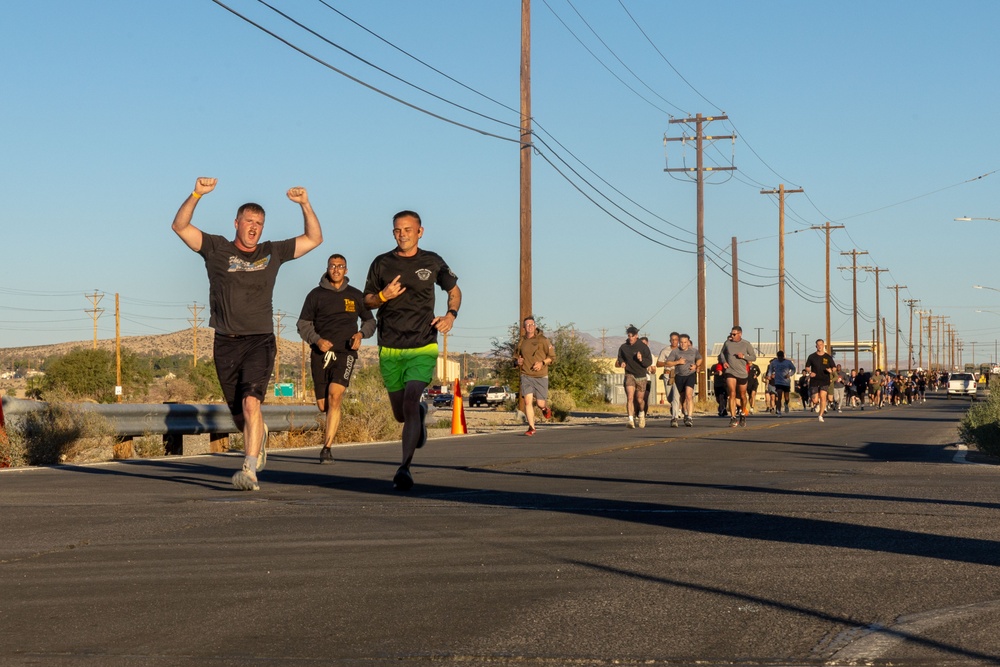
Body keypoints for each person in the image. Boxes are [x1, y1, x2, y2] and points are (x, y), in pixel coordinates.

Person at [171, 177, 323, 491]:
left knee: (252, 404)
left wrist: (305, 204)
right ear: (237, 223)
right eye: (249, 221)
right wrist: (197, 193)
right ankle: (258, 436)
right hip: (225, 342)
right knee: (240, 416)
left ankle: (249, 469)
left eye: (260, 223)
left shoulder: (273, 251)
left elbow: (314, 238)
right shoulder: (216, 248)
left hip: (260, 340)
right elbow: (180, 227)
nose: (254, 227)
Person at [363, 210, 461, 491]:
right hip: (390, 346)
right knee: (401, 413)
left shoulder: (432, 262)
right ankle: (417, 414)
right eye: (397, 230)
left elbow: (454, 291)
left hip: (422, 344)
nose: (402, 234)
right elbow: (366, 300)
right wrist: (383, 296)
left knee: (410, 397)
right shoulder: (381, 263)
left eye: (408, 229)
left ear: (420, 231)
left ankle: (404, 467)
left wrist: (450, 315)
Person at [297, 254, 376, 464]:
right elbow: (303, 324)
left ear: (346, 270)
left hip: (346, 352)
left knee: (335, 395)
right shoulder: (315, 295)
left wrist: (360, 335)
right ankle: (327, 439)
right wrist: (317, 340)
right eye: (333, 266)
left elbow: (370, 321)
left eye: (341, 266)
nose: (337, 269)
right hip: (320, 354)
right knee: (323, 405)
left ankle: (327, 448)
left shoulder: (356, 295)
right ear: (327, 268)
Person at [516, 316, 556, 436]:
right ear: (524, 328)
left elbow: (552, 357)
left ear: (535, 326)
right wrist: (517, 362)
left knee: (540, 403)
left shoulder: (543, 340)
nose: (530, 327)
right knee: (528, 402)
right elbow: (515, 358)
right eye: (527, 325)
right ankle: (531, 427)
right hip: (526, 375)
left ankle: (544, 409)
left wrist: (542, 363)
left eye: (532, 324)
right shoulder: (521, 342)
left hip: (541, 376)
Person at [718, 325, 757, 427]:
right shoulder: (727, 343)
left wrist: (743, 356)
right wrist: (724, 362)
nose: (732, 336)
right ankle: (733, 417)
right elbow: (721, 354)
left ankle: (743, 414)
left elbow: (753, 357)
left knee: (743, 395)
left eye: (734, 334)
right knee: (732, 393)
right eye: (731, 333)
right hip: (730, 371)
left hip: (742, 373)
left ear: (740, 334)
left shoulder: (746, 344)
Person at [616, 326, 654, 428]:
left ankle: (641, 413)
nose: (631, 338)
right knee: (630, 397)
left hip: (641, 376)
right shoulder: (623, 347)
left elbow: (649, 362)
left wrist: (641, 359)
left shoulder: (643, 347)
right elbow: (620, 357)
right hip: (629, 374)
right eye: (629, 336)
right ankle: (630, 419)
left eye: (632, 336)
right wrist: (622, 362)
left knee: (639, 400)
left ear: (636, 336)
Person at [661, 333, 702, 427]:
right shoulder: (675, 352)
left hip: (690, 376)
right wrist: (678, 362)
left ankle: (689, 417)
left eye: (685, 342)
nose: (683, 344)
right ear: (679, 343)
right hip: (678, 376)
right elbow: (668, 363)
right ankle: (675, 418)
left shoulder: (693, 351)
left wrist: (696, 365)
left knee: (689, 396)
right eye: (681, 342)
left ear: (688, 342)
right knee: (678, 398)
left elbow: (699, 359)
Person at [804, 339, 836, 422]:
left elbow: (834, 367)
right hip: (814, 379)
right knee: (814, 399)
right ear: (816, 346)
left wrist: (831, 371)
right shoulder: (812, 356)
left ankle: (820, 415)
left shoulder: (827, 357)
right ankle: (816, 404)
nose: (819, 346)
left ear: (823, 345)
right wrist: (810, 372)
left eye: (821, 344)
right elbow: (807, 367)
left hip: (824, 379)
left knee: (823, 396)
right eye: (818, 345)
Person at [656, 332, 682, 427]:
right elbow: (658, 363)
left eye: (676, 339)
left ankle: (674, 418)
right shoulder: (665, 350)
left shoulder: (682, 351)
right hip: (667, 375)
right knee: (669, 397)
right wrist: (668, 363)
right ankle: (674, 407)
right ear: (669, 340)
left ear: (678, 340)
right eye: (672, 339)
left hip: (678, 375)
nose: (674, 341)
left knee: (676, 396)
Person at [766, 351, 795, 416]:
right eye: (779, 357)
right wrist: (769, 375)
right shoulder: (774, 362)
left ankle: (786, 404)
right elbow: (770, 369)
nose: (780, 358)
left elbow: (793, 369)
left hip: (786, 381)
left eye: (781, 357)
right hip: (778, 382)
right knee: (779, 396)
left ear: (783, 356)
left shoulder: (788, 362)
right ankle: (778, 411)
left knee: (786, 397)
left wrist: (789, 374)